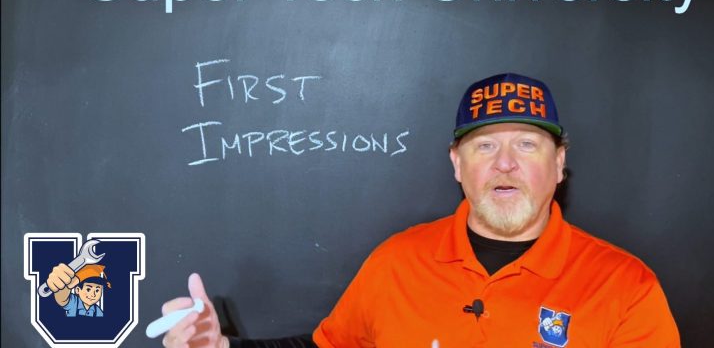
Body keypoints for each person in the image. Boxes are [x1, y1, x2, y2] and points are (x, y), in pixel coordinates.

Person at [161, 73, 680, 347]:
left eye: (526, 144)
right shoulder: (397, 261)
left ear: (559, 163)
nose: (505, 163)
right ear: (457, 164)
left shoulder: (625, 287)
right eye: (484, 146)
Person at [46, 263, 111, 317]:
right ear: (77, 290)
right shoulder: (74, 302)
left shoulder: (98, 311)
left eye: (97, 290)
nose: (93, 295)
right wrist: (63, 285)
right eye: (88, 289)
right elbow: (62, 299)